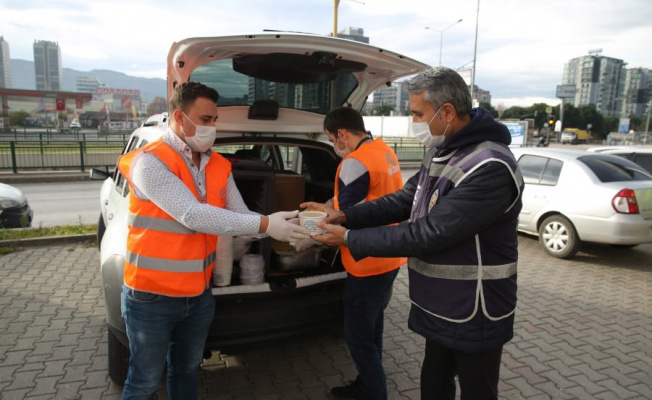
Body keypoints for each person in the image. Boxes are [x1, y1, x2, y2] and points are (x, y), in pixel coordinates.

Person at [303, 67, 523, 399]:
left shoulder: (489, 166)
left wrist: (347, 238)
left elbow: (428, 233)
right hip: (442, 304)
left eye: (418, 113)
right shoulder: (445, 150)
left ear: (447, 112)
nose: (414, 121)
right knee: (433, 384)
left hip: (476, 308)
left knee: (477, 390)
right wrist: (345, 215)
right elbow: (408, 198)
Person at [117, 82, 309, 399]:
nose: (212, 127)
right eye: (206, 119)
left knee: (186, 370)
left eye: (214, 120)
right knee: (145, 382)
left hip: (198, 295)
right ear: (179, 117)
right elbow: (193, 215)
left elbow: (240, 215)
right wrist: (266, 224)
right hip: (151, 297)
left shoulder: (218, 164)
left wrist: (288, 225)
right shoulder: (150, 162)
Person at [301, 107, 406, 400]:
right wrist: (325, 204)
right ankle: (366, 383)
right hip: (390, 255)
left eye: (331, 138)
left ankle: (374, 393)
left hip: (365, 262)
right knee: (373, 328)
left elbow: (340, 217)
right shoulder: (384, 152)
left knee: (359, 338)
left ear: (342, 134)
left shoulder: (354, 162)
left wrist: (301, 233)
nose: (335, 145)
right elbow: (355, 200)